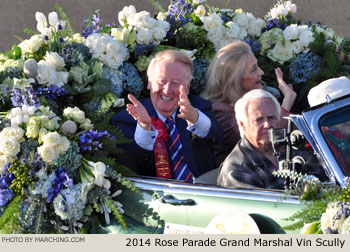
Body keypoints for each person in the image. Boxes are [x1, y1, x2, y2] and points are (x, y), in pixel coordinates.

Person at [112, 50, 223, 182]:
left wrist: (194, 118)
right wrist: (145, 128)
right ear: (149, 82)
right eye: (162, 81)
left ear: (187, 87)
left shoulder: (198, 107)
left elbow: (216, 137)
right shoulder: (126, 119)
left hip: (202, 191)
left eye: (176, 83)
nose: (167, 90)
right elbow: (134, 170)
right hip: (157, 197)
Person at [201, 41, 297, 167]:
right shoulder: (219, 113)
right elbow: (264, 139)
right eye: (253, 69)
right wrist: (287, 101)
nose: (261, 72)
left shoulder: (256, 101)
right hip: (243, 180)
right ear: (235, 81)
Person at [217, 89, 286, 189]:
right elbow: (258, 204)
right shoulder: (237, 169)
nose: (267, 125)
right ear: (243, 125)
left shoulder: (289, 147)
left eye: (271, 118)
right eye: (258, 120)